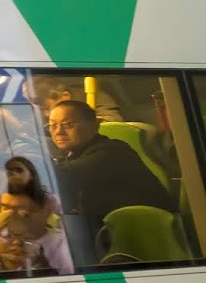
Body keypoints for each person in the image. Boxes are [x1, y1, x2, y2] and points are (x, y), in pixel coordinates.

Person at [47, 99, 172, 234]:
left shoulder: (112, 152)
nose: (58, 132)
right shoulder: (70, 156)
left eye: (68, 124)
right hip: (107, 232)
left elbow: (63, 176)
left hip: (147, 232)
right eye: (53, 125)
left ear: (94, 125)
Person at [0, 156, 73, 276]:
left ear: (32, 175)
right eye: (10, 171)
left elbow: (54, 231)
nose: (13, 174)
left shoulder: (50, 202)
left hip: (50, 265)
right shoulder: (3, 199)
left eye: (19, 170)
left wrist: (36, 245)